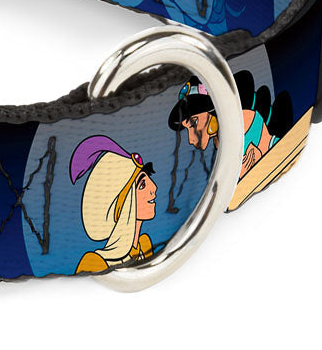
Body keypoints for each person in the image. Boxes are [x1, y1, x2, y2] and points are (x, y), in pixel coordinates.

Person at [168, 72, 293, 178]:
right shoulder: (220, 141)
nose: (190, 139)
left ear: (215, 110)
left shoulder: (244, 123)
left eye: (194, 123)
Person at [69, 135, 157, 274]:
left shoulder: (145, 245)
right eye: (142, 185)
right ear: (122, 204)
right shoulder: (95, 263)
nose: (154, 188)